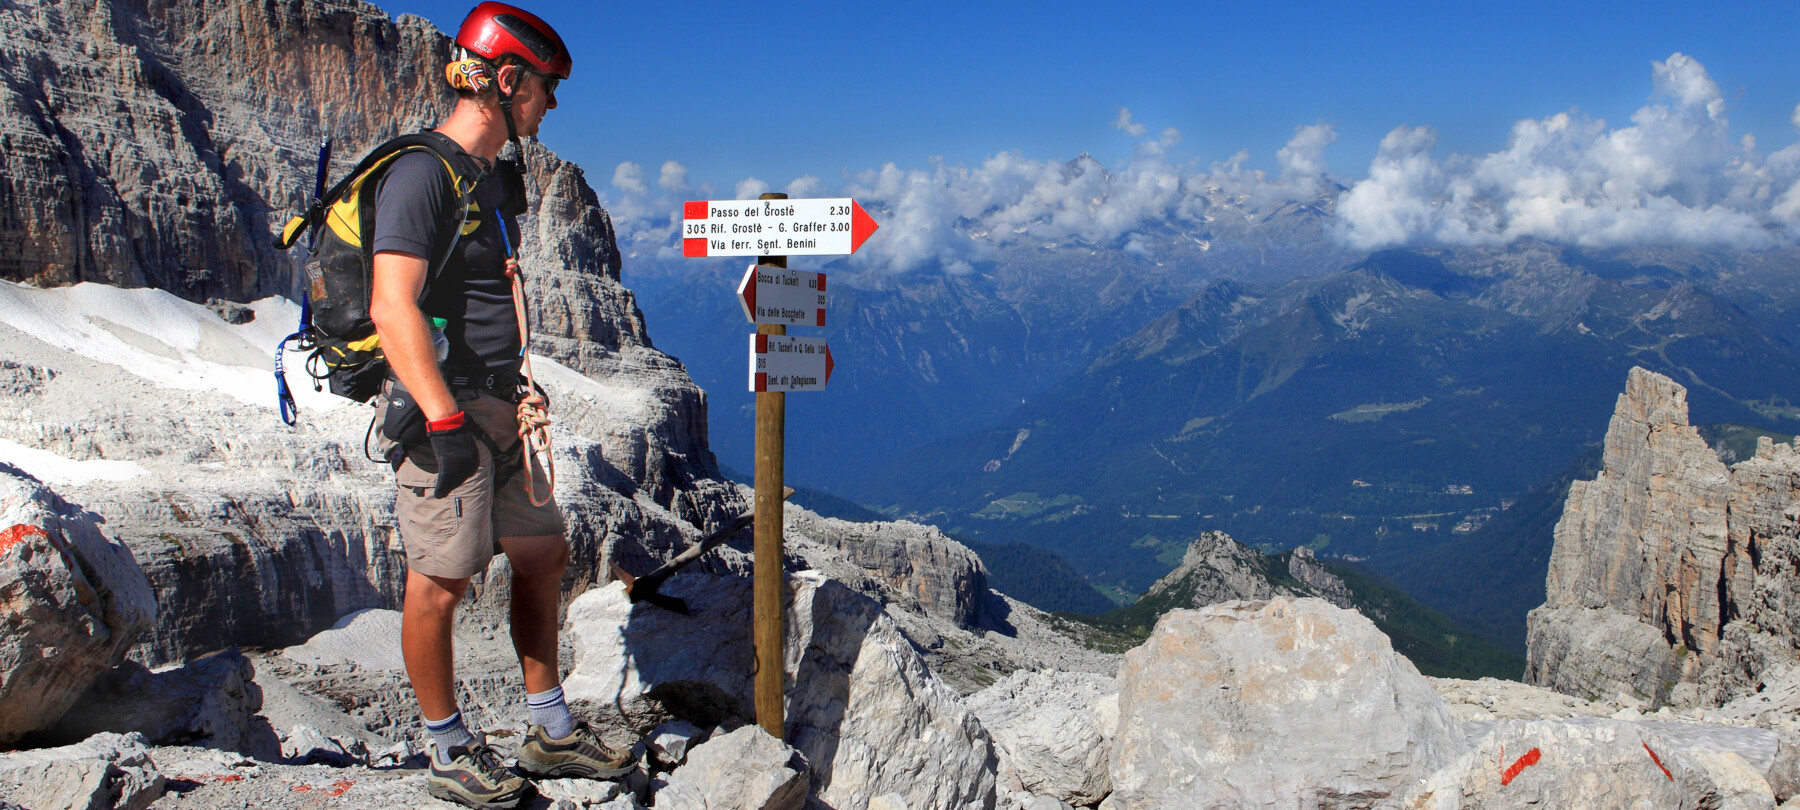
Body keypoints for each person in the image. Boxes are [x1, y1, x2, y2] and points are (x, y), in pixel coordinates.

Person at [367, 4, 630, 807]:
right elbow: (391, 305)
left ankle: (549, 729)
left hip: (501, 402)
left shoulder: (489, 179)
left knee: (542, 555)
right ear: (506, 79)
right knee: (440, 582)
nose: (549, 106)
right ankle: (446, 746)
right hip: (444, 412)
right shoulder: (420, 173)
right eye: (543, 89)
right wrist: (442, 420)